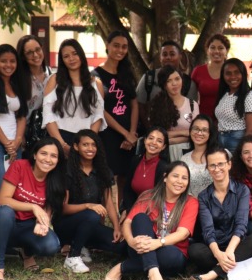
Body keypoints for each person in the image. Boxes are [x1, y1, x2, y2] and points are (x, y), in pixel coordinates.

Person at [106, 161, 198, 280]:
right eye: (175, 176)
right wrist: (131, 241)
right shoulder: (149, 196)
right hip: (140, 246)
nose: (179, 181)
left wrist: (158, 243)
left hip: (170, 252)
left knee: (172, 256)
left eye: (184, 178)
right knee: (140, 218)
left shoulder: (190, 202)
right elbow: (128, 223)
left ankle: (123, 267)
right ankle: (154, 273)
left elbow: (183, 233)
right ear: (165, 177)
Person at [190, 148, 252, 280]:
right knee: (194, 250)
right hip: (215, 247)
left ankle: (211, 275)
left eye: (221, 164)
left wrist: (230, 251)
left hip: (236, 246)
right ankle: (230, 268)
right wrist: (219, 254)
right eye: (212, 165)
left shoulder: (242, 190)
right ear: (207, 168)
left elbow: (241, 225)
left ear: (229, 165)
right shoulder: (203, 196)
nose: (217, 168)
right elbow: (207, 230)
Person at [0, 137, 66, 278]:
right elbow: (2, 199)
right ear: (34, 155)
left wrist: (42, 224)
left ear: (58, 160)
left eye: (53, 156)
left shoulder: (57, 179)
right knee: (5, 212)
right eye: (43, 153)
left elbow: (48, 209)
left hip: (28, 226)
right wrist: (33, 207)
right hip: (6, 222)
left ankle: (26, 252)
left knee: (51, 245)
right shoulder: (20, 166)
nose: (48, 159)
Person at [55, 129, 122, 274]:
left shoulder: (103, 170)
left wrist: (117, 227)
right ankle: (73, 256)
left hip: (90, 226)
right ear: (76, 147)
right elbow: (63, 208)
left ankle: (83, 244)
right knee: (92, 214)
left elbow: (109, 202)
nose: (90, 148)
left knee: (121, 246)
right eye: (85, 145)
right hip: (66, 226)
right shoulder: (67, 170)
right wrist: (88, 205)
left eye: (94, 145)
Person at [0, 44, 30, 204]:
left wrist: (16, 141)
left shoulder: (18, 84)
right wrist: (6, 143)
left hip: (15, 145)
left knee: (15, 192)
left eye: (12, 61)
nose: (8, 65)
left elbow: (22, 116)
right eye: (3, 61)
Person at [93, 30, 139, 183]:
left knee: (126, 177)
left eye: (124, 47)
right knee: (108, 176)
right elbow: (100, 109)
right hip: (108, 132)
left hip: (129, 133)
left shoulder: (127, 73)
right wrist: (125, 133)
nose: (120, 50)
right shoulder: (96, 75)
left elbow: (134, 103)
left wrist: (132, 133)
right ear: (107, 46)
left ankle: (123, 207)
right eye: (116, 46)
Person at [43, 39, 105, 153]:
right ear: (62, 60)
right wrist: (62, 145)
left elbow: (98, 116)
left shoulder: (96, 83)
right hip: (59, 138)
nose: (71, 59)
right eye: (66, 56)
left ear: (81, 54)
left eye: (75, 54)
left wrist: (88, 143)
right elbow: (48, 115)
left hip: (86, 141)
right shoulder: (54, 80)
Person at [147, 65, 200, 161]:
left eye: (177, 79)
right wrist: (185, 133)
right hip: (163, 154)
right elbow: (157, 135)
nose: (174, 83)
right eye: (169, 81)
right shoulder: (157, 105)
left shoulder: (192, 105)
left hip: (188, 153)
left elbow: (196, 134)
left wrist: (170, 138)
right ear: (164, 85)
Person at [136, 40, 193, 124]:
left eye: (172, 54)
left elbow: (192, 109)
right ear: (160, 58)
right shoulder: (149, 78)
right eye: (164, 54)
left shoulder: (188, 83)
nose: (168, 57)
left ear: (180, 56)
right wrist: (149, 128)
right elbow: (139, 105)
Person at [214, 58, 252, 152]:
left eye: (237, 72)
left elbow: (251, 131)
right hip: (220, 140)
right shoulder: (224, 94)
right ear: (223, 76)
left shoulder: (249, 96)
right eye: (228, 73)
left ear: (243, 74)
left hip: (237, 141)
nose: (233, 76)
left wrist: (243, 149)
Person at [18, 34, 53, 149]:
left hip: (49, 131)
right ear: (23, 56)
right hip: (26, 133)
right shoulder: (20, 79)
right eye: (29, 53)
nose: (35, 55)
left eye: (38, 49)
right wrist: (20, 134)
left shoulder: (51, 74)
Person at [124, 126, 171, 211]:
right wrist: (127, 210)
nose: (153, 142)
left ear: (163, 146)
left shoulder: (165, 167)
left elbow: (161, 198)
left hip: (153, 211)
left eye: (159, 141)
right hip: (132, 208)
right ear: (145, 140)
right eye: (151, 138)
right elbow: (127, 189)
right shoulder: (135, 160)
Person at [191, 34, 230, 117]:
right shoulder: (198, 71)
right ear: (207, 50)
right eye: (212, 47)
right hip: (203, 120)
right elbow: (190, 98)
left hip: (228, 121)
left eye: (220, 48)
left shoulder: (232, 71)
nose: (216, 51)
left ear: (227, 50)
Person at [180, 114, 215, 197]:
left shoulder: (221, 155)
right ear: (190, 131)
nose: (199, 133)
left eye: (204, 130)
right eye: (196, 129)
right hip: (193, 205)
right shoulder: (184, 159)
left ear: (210, 133)